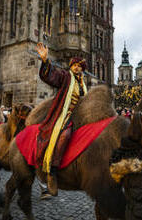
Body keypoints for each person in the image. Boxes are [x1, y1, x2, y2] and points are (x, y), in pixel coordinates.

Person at [36, 42, 88, 196]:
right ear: (71, 67)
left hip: (79, 115)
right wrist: (45, 61)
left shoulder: (82, 83)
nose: (76, 68)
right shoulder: (65, 77)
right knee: (64, 135)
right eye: (74, 65)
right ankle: (52, 171)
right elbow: (51, 77)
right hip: (64, 115)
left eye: (79, 66)